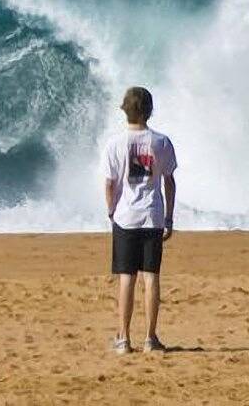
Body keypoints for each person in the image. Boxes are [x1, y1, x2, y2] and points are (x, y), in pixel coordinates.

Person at [102, 86, 177, 355]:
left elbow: (110, 184)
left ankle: (123, 339)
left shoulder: (115, 143)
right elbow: (169, 181)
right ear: (149, 110)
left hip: (125, 217)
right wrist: (169, 217)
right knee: (151, 277)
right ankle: (150, 338)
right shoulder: (161, 142)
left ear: (126, 110)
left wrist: (111, 212)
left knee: (126, 278)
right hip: (152, 216)